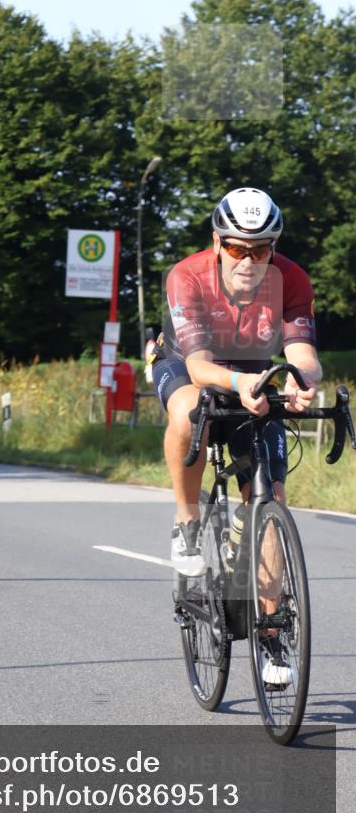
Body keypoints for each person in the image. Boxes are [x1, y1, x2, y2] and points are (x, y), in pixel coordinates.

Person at [151, 187, 321, 686]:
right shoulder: (188, 275)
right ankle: (186, 521)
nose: (248, 259)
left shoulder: (292, 278)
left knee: (270, 505)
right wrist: (239, 383)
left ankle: (270, 633)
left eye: (261, 249)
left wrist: (301, 378)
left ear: (274, 247)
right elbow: (201, 366)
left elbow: (302, 348)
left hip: (255, 370)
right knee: (188, 411)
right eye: (236, 248)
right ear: (217, 240)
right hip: (188, 363)